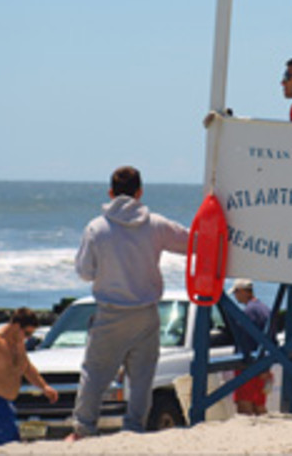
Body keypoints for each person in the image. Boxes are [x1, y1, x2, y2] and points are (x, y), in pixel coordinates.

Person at [70, 166, 189, 440]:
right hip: (145, 312)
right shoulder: (156, 224)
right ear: (140, 193)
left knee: (95, 373)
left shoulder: (96, 228)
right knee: (142, 377)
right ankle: (134, 428)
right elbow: (189, 241)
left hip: (110, 313)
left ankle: (84, 428)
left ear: (110, 193)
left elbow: (84, 272)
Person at [0, 307, 58, 445]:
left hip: (8, 403)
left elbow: (26, 368)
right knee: (10, 442)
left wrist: (44, 387)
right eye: (27, 333)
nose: (27, 338)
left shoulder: (18, 343)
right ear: (16, 326)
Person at [229, 278, 272, 415]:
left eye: (236, 292)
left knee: (244, 405)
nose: (235, 297)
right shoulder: (264, 308)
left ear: (243, 291)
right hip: (264, 361)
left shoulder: (249, 312)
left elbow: (246, 340)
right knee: (259, 404)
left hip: (250, 365)